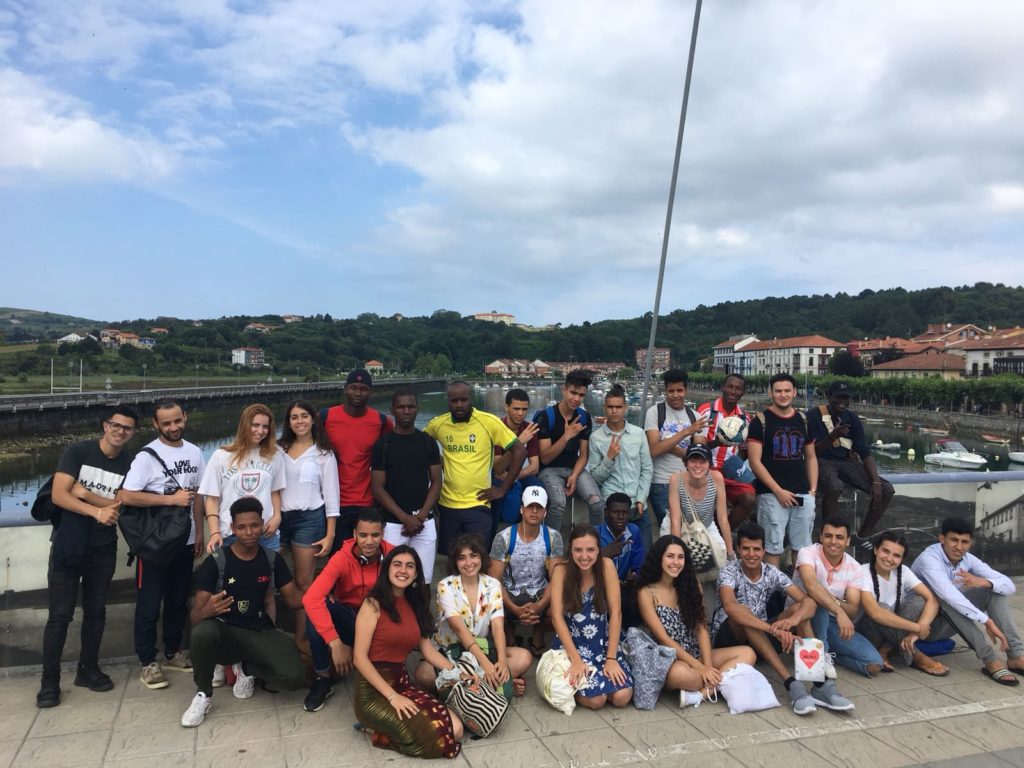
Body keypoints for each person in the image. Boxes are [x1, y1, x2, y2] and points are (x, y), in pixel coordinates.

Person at [37, 406, 140, 709]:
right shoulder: (78, 452)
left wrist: (84, 494)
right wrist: (97, 510)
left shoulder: (130, 463)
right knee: (59, 615)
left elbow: (121, 504)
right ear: (105, 425)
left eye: (127, 428)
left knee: (96, 611)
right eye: (116, 425)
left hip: (102, 547)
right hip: (68, 544)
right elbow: (59, 495)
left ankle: (88, 669)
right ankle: (49, 681)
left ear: (133, 433)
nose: (120, 431)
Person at [181, 498, 305, 728]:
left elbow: (294, 600)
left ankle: (245, 668)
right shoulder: (216, 562)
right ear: (233, 528)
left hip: (258, 630)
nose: (249, 532)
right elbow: (195, 618)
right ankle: (203, 694)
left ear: (262, 524)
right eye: (242, 527)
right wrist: (207, 610)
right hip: (224, 631)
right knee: (202, 632)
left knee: (295, 676)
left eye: (255, 525)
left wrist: (322, 595)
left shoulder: (272, 559)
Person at [120, 400, 205, 691]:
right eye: (166, 423)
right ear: (156, 424)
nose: (173, 427)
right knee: (149, 603)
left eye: (177, 421)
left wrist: (200, 532)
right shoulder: (146, 456)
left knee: (177, 600)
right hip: (155, 544)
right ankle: (148, 661)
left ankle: (172, 652)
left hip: (185, 540)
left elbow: (198, 495)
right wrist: (170, 500)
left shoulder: (194, 452)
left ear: (185, 418)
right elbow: (127, 495)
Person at [352, 546, 464, 758]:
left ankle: (385, 729)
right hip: (374, 693)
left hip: (403, 684)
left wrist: (459, 672)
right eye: (397, 564)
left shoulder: (415, 604)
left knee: (456, 729)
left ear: (416, 574)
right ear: (387, 569)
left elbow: (428, 651)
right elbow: (359, 658)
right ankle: (379, 732)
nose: (403, 570)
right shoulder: (372, 604)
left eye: (410, 566)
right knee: (440, 738)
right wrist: (393, 697)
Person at [710, 521, 819, 715]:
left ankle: (819, 682)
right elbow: (731, 607)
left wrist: (792, 621)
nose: (751, 554)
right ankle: (790, 682)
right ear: (738, 549)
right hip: (728, 639)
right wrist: (773, 630)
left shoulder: (771, 572)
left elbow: (809, 602)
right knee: (744, 613)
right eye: (746, 549)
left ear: (764, 550)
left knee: (798, 610)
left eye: (756, 549)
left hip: (759, 638)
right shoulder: (729, 571)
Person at [636, 536, 755, 707]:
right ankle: (720, 681)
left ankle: (701, 694)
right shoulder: (646, 592)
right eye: (670, 556)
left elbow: (702, 628)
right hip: (670, 659)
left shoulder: (691, 583)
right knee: (682, 675)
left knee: (748, 653)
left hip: (696, 652)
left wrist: (707, 665)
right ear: (659, 558)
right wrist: (701, 669)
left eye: (681, 557)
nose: (676, 562)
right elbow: (663, 639)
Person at [414, 533, 532, 697]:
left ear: (481, 557)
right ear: (455, 562)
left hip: (481, 650)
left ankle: (472, 687)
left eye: (473, 556)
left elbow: (497, 627)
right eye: (462, 558)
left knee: (523, 657)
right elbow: (459, 630)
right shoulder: (445, 586)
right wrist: (487, 665)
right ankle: (495, 684)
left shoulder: (493, 584)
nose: (469, 563)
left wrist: (502, 661)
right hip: (449, 653)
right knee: (423, 674)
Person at [911, 516, 1024, 686]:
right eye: (953, 540)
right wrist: (986, 621)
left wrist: (984, 582)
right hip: (919, 627)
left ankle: (1016, 655)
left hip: (945, 623)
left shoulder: (968, 559)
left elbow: (1009, 585)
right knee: (947, 600)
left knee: (994, 591)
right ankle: (990, 659)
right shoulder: (929, 559)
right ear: (942, 538)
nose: (959, 547)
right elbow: (949, 595)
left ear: (970, 543)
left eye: (964, 542)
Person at [302, 509, 394, 712]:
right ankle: (323, 677)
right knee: (319, 606)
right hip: (349, 618)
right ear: (354, 534)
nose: (369, 541)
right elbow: (311, 598)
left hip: (379, 621)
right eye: (363, 535)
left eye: (375, 535)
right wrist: (335, 643)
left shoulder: (393, 556)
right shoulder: (342, 557)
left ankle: (385, 664)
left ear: (383, 534)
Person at [424, 380, 526, 556]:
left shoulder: (488, 422)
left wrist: (503, 489)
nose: (459, 405)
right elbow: (419, 447)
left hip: (479, 503)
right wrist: (438, 466)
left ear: (471, 399)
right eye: (454, 400)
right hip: (447, 504)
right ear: (448, 401)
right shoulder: (438, 424)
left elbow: (520, 451)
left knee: (477, 557)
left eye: (463, 399)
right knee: (452, 558)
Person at [792, 515, 878, 707]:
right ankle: (820, 680)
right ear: (821, 537)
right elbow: (811, 586)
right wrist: (839, 610)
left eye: (839, 537)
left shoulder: (854, 567)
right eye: (828, 536)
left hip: (833, 622)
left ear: (847, 541)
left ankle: (826, 653)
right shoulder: (807, 553)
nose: (833, 541)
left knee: (873, 665)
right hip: (800, 615)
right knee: (818, 602)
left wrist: (833, 604)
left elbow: (853, 609)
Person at [549, 524, 634, 710]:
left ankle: (603, 679)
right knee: (597, 700)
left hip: (603, 641)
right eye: (578, 550)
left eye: (590, 550)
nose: (584, 556)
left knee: (622, 697)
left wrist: (611, 658)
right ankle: (578, 688)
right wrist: (576, 660)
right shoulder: (561, 571)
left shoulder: (606, 566)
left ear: (598, 550)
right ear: (570, 549)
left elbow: (616, 613)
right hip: (572, 643)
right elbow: (556, 617)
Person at [277, 400, 339, 644]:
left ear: (313, 419)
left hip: (309, 520)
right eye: (294, 417)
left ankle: (302, 639)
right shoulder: (278, 449)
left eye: (304, 415)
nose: (299, 421)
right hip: (278, 519)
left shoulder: (323, 454)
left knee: (304, 581)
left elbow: (332, 496)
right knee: (269, 576)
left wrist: (330, 534)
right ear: (288, 422)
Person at [807, 382, 895, 546]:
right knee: (835, 486)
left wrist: (876, 481)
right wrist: (832, 437)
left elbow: (864, 452)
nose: (842, 401)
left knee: (886, 489)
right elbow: (810, 451)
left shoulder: (852, 419)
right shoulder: (813, 416)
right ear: (829, 397)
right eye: (838, 397)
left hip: (846, 462)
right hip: (821, 461)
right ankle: (828, 536)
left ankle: (862, 536)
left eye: (846, 397)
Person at [747, 373, 817, 568]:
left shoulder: (804, 420)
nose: (783, 395)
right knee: (772, 548)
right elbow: (754, 462)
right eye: (778, 391)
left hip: (802, 492)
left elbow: (811, 457)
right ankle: (774, 587)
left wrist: (812, 490)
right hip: (771, 495)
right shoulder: (760, 422)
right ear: (770, 393)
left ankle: (800, 586)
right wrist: (778, 491)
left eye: (787, 391)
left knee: (802, 550)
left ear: (794, 392)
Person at [371, 390, 442, 582]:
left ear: (417, 409)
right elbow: (377, 488)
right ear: (392, 410)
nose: (406, 411)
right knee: (392, 578)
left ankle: (422, 605)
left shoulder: (427, 442)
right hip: (393, 524)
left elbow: (436, 481)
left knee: (424, 579)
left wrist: (420, 516)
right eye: (401, 407)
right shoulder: (383, 445)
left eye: (410, 407)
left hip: (424, 522)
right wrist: (405, 518)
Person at [320, 369, 392, 552]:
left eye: (363, 389)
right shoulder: (325, 418)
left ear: (370, 391)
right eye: (353, 388)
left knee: (367, 556)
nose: (358, 393)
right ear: (345, 389)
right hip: (333, 503)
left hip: (366, 502)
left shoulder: (381, 421)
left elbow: (396, 451)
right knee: (339, 557)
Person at [199, 403, 286, 554]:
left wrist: (277, 517)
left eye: (265, 427)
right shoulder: (221, 456)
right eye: (255, 425)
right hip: (231, 534)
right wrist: (214, 532)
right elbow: (212, 499)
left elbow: (275, 492)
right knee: (230, 571)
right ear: (245, 425)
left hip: (266, 532)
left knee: (269, 569)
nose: (260, 431)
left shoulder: (275, 455)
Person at [858, 531, 947, 676]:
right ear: (875, 550)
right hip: (870, 632)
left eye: (896, 555)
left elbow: (933, 599)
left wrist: (915, 634)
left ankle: (886, 649)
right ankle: (916, 655)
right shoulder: (862, 572)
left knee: (920, 600)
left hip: (893, 631)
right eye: (885, 551)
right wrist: (918, 628)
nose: (889, 559)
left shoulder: (903, 571)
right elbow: (875, 614)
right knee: (882, 607)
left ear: (902, 559)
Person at [488, 485, 563, 658]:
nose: (534, 511)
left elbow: (556, 579)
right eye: (530, 506)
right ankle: (510, 637)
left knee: (560, 607)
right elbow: (495, 580)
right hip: (510, 592)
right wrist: (515, 609)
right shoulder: (504, 537)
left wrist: (539, 606)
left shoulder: (553, 537)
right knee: (490, 604)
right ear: (521, 509)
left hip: (540, 592)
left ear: (545, 512)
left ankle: (538, 635)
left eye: (539, 507)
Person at [535, 369, 604, 531]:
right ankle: (553, 543)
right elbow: (545, 458)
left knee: (596, 503)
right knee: (558, 503)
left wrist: (574, 476)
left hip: (574, 468)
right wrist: (566, 436)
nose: (576, 399)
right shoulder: (546, 417)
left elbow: (584, 455)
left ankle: (597, 542)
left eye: (581, 395)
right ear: (564, 390)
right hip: (549, 469)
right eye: (573, 393)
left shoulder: (584, 417)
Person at [645, 369, 709, 535]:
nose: (675, 395)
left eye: (679, 390)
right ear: (665, 390)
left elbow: (698, 457)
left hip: (688, 482)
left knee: (690, 532)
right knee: (669, 531)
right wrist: (687, 432)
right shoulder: (655, 412)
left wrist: (667, 443)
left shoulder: (696, 417)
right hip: (661, 482)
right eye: (671, 391)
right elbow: (654, 450)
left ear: (686, 390)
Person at [589, 384, 654, 543]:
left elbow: (647, 469)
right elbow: (595, 478)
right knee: (612, 554)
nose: (614, 411)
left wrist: (641, 499)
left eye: (618, 407)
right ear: (605, 408)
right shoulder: (596, 438)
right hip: (612, 508)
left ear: (625, 408)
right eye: (610, 407)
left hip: (637, 505)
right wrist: (609, 459)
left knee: (645, 553)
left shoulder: (638, 434)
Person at [697, 374, 755, 529]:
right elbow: (696, 447)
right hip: (707, 468)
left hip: (729, 470)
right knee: (715, 503)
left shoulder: (744, 418)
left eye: (738, 389)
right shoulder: (706, 411)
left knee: (749, 499)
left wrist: (735, 466)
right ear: (723, 387)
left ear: (743, 392)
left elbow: (744, 449)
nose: (733, 391)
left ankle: (723, 535)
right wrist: (718, 442)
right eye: (730, 387)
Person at [490, 388, 541, 533]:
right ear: (506, 407)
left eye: (524, 409)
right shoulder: (497, 427)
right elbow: (498, 467)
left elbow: (534, 466)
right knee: (495, 496)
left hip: (517, 473)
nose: (520, 413)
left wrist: (513, 476)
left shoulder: (529, 429)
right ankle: (492, 536)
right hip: (498, 474)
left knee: (539, 488)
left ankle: (531, 533)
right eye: (516, 409)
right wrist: (518, 443)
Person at [596, 493, 645, 629]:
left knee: (640, 594)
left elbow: (639, 567)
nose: (621, 517)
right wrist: (604, 555)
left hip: (622, 588)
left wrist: (635, 576)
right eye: (615, 512)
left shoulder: (633, 531)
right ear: (606, 512)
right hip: (597, 588)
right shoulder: (595, 534)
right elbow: (581, 569)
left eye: (625, 513)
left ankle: (628, 634)